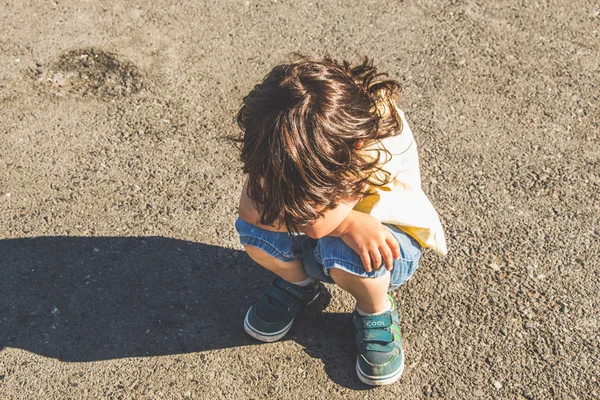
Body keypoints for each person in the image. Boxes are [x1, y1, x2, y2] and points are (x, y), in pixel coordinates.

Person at [234, 56, 447, 386]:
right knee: (252, 231)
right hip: (325, 224)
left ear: (354, 145)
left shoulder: (374, 140)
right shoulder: (291, 136)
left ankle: (374, 309)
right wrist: (342, 221)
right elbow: (248, 211)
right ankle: (301, 285)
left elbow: (318, 227)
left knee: (344, 252)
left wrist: (348, 224)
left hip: (386, 240)